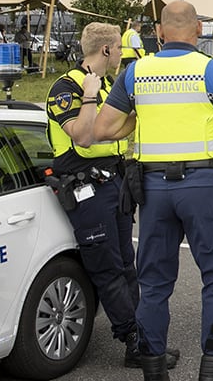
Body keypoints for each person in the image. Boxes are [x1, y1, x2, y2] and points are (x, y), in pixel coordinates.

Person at [96, 1, 213, 381]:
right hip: (204, 186)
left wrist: (141, 118)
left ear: (160, 32)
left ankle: (154, 370)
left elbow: (102, 129)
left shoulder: (137, 72)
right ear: (198, 29)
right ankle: (212, 368)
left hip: (152, 190)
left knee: (152, 283)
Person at [46, 22, 180, 370]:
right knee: (107, 269)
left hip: (113, 185)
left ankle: (144, 339)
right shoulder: (67, 87)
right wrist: (89, 95)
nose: (121, 54)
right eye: (119, 48)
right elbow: (85, 136)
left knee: (126, 266)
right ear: (106, 50)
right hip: (86, 190)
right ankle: (135, 343)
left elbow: (116, 131)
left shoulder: (107, 86)